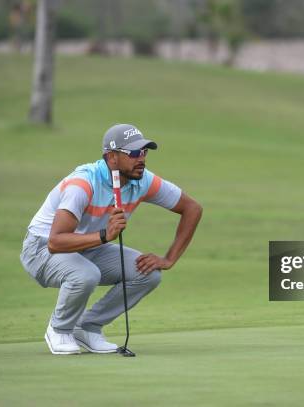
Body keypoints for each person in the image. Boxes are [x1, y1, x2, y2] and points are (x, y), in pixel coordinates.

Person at [20, 123, 203, 355]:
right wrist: (105, 235)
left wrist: (169, 259)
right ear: (112, 157)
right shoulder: (83, 184)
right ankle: (60, 329)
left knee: (148, 273)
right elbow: (55, 242)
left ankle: (87, 327)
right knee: (86, 274)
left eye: (144, 152)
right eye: (134, 153)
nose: (142, 159)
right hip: (41, 249)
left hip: (89, 246)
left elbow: (192, 208)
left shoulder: (143, 180)